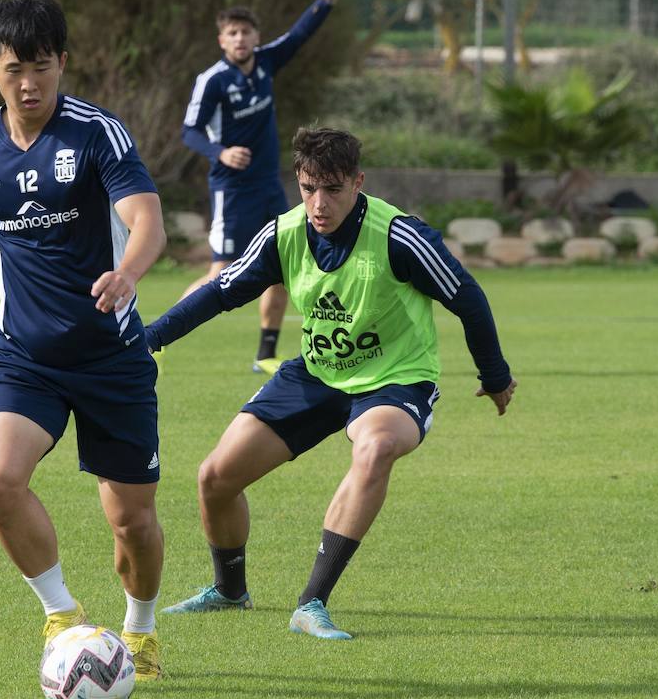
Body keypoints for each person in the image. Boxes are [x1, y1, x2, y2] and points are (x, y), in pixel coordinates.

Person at [149, 127, 516, 638]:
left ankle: (312, 603)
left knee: (377, 446)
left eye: (333, 189)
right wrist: (153, 337)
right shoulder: (284, 233)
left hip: (395, 379)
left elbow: (468, 298)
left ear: (358, 182)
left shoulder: (399, 236)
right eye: (307, 188)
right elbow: (220, 293)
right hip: (318, 373)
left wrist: (495, 375)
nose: (319, 204)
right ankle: (230, 591)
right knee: (215, 477)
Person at [0, 0, 168, 678]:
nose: (30, 83)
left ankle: (139, 632)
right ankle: (64, 617)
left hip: (110, 356)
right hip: (23, 356)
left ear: (63, 63)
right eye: (15, 67)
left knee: (130, 520)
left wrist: (127, 272)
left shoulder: (96, 133)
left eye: (43, 66)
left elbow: (147, 220)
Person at [179, 0, 365, 374]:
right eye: (232, 33)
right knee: (221, 272)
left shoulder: (264, 64)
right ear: (221, 40)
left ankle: (265, 353)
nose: (240, 39)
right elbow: (188, 131)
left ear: (255, 36)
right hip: (231, 188)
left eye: (246, 31)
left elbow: (302, 32)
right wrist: (220, 152)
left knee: (282, 266)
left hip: (267, 184)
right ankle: (155, 339)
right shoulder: (212, 82)